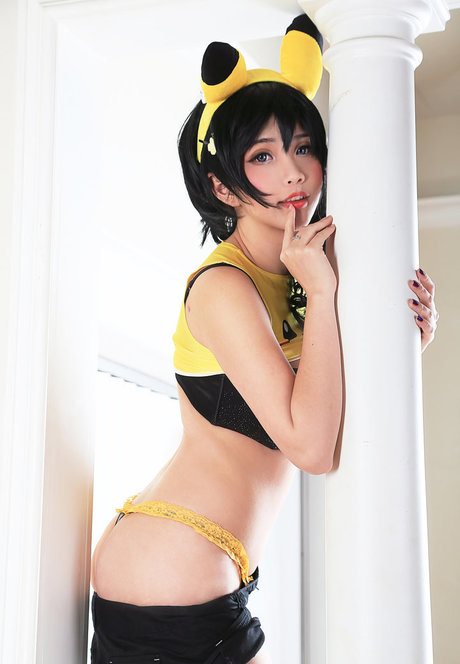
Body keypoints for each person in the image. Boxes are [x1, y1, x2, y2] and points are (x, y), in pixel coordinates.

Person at [89, 14, 438, 664]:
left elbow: (325, 419)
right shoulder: (224, 287)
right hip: (168, 569)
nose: (293, 172)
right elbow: (312, 450)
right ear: (222, 186)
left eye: (303, 147)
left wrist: (398, 351)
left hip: (206, 570)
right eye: (263, 156)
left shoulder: (304, 275)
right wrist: (325, 294)